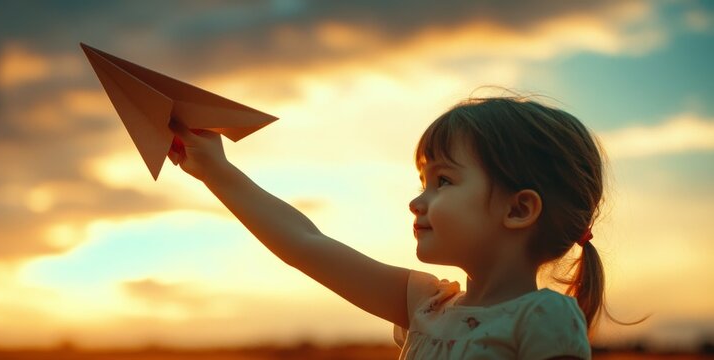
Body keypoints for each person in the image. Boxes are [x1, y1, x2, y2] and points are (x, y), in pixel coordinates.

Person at [166, 95, 644, 359]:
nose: (418, 201)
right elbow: (304, 244)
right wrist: (216, 171)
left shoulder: (543, 318)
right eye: (423, 180)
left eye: (443, 181)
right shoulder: (424, 304)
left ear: (519, 210)